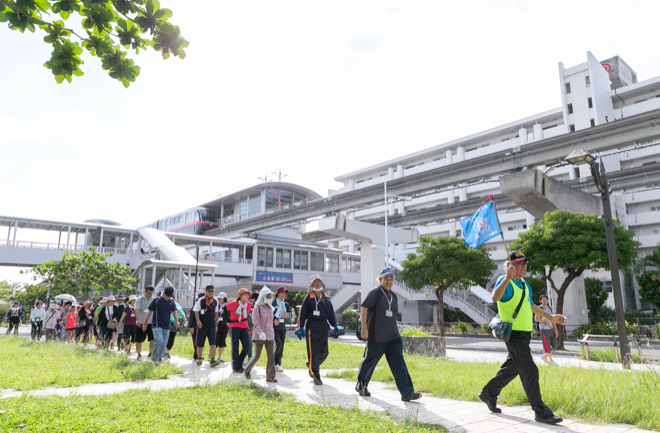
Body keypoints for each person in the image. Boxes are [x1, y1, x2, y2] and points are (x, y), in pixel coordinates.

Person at [479, 251, 567, 425]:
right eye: (519, 263)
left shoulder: (524, 284)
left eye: (525, 262)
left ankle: (489, 392)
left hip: (525, 334)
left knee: (513, 368)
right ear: (510, 265)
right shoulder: (507, 282)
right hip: (514, 334)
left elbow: (531, 305)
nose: (524, 266)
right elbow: (495, 297)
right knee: (530, 370)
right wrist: (506, 278)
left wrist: (551, 317)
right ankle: (541, 411)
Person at [356, 267, 421, 401]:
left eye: (391, 279)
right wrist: (364, 328)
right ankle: (361, 385)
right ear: (380, 279)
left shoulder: (393, 296)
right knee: (369, 361)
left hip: (393, 337)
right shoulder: (375, 293)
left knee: (398, 362)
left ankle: (407, 392)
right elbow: (364, 308)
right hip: (376, 336)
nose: (389, 281)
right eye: (386, 279)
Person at [297, 274, 339, 386]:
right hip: (312, 327)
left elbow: (330, 313)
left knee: (324, 353)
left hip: (323, 327)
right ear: (311, 284)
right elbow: (303, 314)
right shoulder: (308, 298)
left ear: (322, 283)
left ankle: (311, 364)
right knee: (314, 352)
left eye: (319, 281)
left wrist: (334, 324)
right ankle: (315, 374)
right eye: (315, 282)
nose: (317, 283)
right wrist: (300, 327)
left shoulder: (326, 297)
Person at [244, 287, 277, 382]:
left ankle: (270, 376)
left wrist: (271, 334)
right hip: (259, 335)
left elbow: (270, 322)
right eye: (268, 296)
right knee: (256, 356)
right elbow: (256, 322)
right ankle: (247, 369)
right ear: (263, 297)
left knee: (271, 355)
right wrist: (260, 333)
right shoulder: (257, 307)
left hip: (269, 336)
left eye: (271, 296)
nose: (270, 298)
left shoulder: (271, 308)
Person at [142, 286, 179, 365]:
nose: (168, 297)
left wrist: (177, 321)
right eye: (167, 295)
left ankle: (159, 360)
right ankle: (154, 358)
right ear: (163, 293)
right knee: (159, 340)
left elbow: (174, 311)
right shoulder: (156, 300)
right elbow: (149, 312)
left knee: (163, 344)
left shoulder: (171, 302)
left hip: (166, 326)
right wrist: (145, 323)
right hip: (157, 325)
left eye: (170, 296)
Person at [192, 285, 221, 367]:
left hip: (211, 325)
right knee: (200, 343)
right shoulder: (201, 300)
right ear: (206, 292)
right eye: (209, 291)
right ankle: (199, 358)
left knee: (213, 343)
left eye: (212, 291)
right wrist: (198, 321)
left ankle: (212, 359)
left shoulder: (215, 301)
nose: (211, 293)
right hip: (202, 325)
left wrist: (216, 324)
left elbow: (216, 313)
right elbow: (196, 311)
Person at [225, 288, 252, 373]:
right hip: (234, 326)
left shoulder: (248, 304)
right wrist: (227, 320)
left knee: (247, 346)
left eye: (248, 295)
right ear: (240, 296)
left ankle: (239, 362)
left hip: (244, 327)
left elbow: (248, 315)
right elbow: (225, 310)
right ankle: (236, 367)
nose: (247, 296)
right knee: (235, 347)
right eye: (245, 294)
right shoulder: (233, 304)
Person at [272, 286, 292, 372]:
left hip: (282, 328)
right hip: (274, 328)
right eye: (282, 293)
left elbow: (290, 313)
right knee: (278, 345)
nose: (284, 295)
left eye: (285, 293)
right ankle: (271, 361)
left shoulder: (286, 304)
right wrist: (273, 320)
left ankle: (277, 364)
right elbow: (268, 314)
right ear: (277, 294)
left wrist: (288, 315)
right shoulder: (273, 303)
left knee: (281, 347)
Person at [535, 294, 559, 366]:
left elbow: (553, 320)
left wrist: (555, 330)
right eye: (543, 299)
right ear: (540, 301)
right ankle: (551, 361)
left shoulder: (550, 309)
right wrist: (545, 320)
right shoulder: (538, 308)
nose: (545, 301)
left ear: (548, 300)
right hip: (543, 329)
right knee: (547, 345)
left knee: (555, 345)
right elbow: (536, 319)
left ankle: (544, 356)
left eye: (546, 299)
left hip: (550, 328)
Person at [135, 286, 156, 360]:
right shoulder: (139, 300)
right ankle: (139, 354)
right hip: (141, 322)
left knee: (152, 339)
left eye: (151, 293)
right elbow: (136, 310)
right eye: (148, 293)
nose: (150, 295)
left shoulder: (154, 300)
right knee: (139, 339)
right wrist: (138, 320)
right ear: (144, 292)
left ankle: (151, 353)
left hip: (151, 323)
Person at [164, 295, 185, 360]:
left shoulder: (177, 305)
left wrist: (184, 318)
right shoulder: (165, 304)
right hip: (166, 323)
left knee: (172, 338)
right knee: (165, 338)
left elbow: (181, 312)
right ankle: (164, 351)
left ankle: (167, 351)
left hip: (174, 323)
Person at [189, 292, 205, 361]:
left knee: (200, 342)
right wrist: (191, 327)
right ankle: (196, 355)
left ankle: (197, 354)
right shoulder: (195, 307)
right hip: (196, 327)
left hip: (203, 327)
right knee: (196, 342)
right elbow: (191, 318)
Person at [216, 292, 229, 362]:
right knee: (216, 340)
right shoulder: (216, 305)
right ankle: (212, 353)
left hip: (224, 326)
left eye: (221, 298)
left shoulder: (227, 306)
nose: (219, 300)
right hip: (217, 325)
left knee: (222, 340)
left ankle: (219, 356)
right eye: (218, 298)